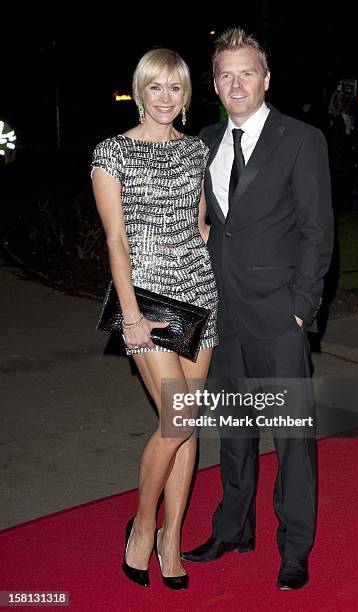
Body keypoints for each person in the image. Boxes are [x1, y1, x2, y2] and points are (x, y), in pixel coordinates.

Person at [181, 28, 334, 590]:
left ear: (265, 79)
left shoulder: (301, 139)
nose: (235, 83)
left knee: (291, 436)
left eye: (246, 72)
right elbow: (209, 226)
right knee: (234, 430)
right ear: (215, 84)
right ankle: (233, 527)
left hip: (278, 314)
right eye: (225, 74)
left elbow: (318, 231)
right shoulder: (204, 140)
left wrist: (301, 308)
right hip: (222, 313)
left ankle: (295, 547)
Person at [91, 48, 218, 591]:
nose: (166, 98)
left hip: (200, 295)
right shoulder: (110, 153)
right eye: (157, 87)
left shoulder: (195, 152)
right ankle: (142, 528)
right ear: (140, 90)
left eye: (177, 88)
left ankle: (172, 536)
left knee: (185, 430)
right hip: (146, 299)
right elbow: (116, 239)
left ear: (186, 95)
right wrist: (130, 313)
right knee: (179, 421)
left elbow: (202, 224)